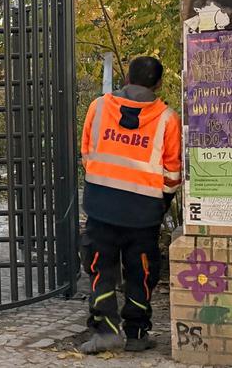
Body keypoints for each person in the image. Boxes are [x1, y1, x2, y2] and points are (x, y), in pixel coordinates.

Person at [78, 56, 182, 354]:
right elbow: (172, 173)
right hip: (144, 214)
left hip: (101, 207)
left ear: (126, 78)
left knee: (100, 269)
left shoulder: (98, 107)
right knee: (141, 273)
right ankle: (136, 334)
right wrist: (159, 203)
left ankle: (105, 332)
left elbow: (87, 153)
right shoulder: (167, 118)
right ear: (159, 84)